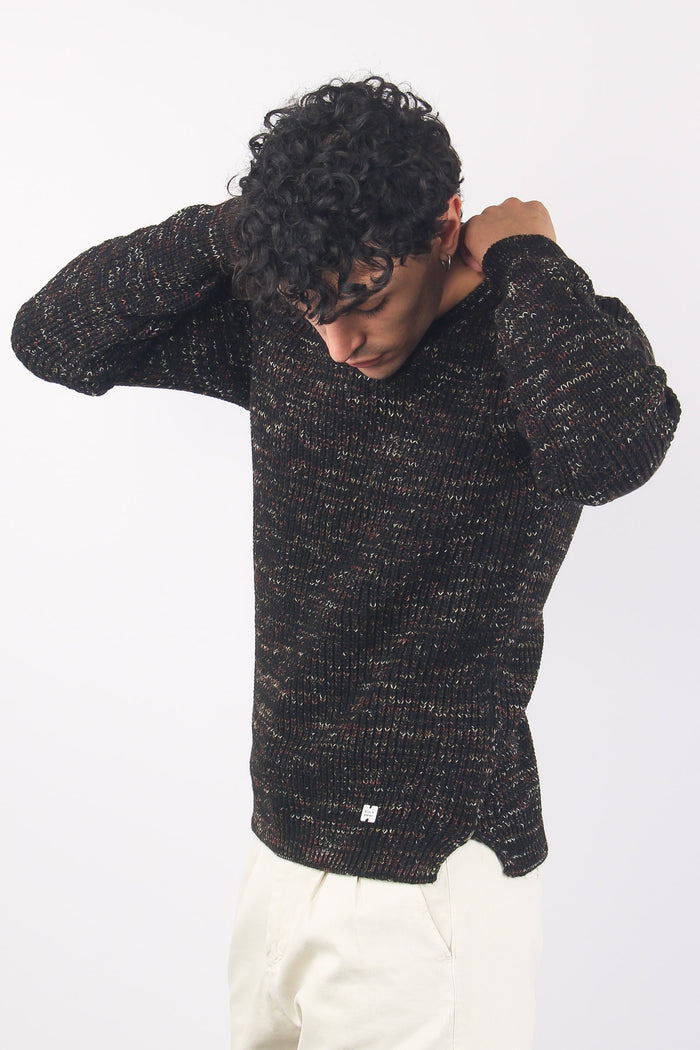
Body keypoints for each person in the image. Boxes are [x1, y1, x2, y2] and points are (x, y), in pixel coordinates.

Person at [11, 76, 681, 1050]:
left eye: (364, 296)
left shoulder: (527, 340)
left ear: (443, 223)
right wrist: (242, 232)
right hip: (280, 846)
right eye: (309, 307)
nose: (337, 344)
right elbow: (55, 339)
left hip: (429, 881)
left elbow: (611, 452)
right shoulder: (296, 333)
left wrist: (529, 258)